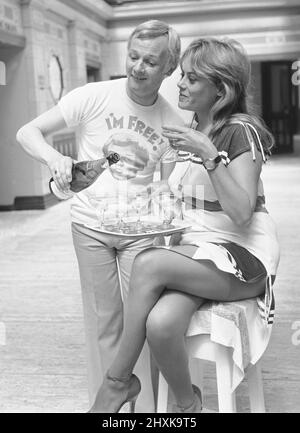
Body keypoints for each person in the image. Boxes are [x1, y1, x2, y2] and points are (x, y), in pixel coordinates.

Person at [90, 37, 280, 413]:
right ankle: (189, 407)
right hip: (201, 253)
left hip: (244, 258)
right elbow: (187, 200)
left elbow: (241, 213)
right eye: (182, 76)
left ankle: (116, 383)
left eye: (192, 79)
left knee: (148, 262)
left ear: (221, 90)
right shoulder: (193, 127)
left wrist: (211, 157)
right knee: (160, 325)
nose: (179, 84)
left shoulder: (239, 131)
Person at [16, 20, 183, 412]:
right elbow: (28, 133)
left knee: (141, 323)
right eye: (134, 56)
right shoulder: (92, 96)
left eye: (151, 61)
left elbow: (166, 185)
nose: (139, 67)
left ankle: (147, 412)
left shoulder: (173, 121)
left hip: (140, 233)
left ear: (169, 68)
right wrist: (55, 157)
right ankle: (109, 408)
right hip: (89, 226)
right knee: (103, 322)